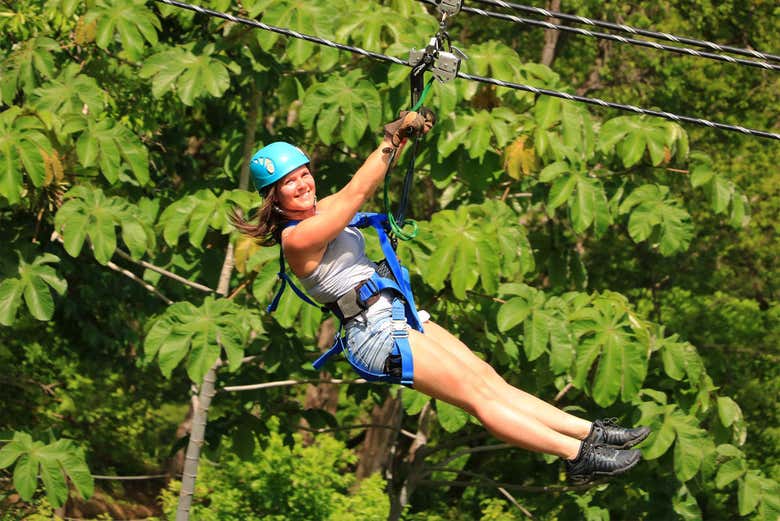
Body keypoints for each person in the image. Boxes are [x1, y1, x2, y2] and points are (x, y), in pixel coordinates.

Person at [232, 110, 650, 483]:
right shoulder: (298, 238)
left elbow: (353, 188)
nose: (302, 185)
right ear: (275, 197)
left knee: (488, 379)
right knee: (478, 397)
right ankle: (578, 457)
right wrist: (391, 139)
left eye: (303, 173)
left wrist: (399, 138)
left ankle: (589, 432)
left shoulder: (319, 211)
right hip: (374, 333)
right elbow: (359, 191)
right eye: (289, 184)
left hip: (393, 312)